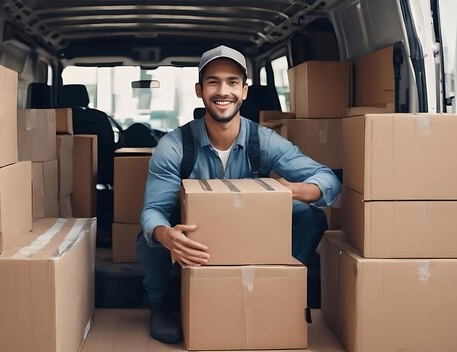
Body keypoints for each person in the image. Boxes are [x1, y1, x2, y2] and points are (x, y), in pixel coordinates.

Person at [137, 45, 341, 344]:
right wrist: (165, 234)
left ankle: (271, 289)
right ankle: (162, 303)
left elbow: (327, 180)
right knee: (153, 232)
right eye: (213, 82)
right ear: (199, 90)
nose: (223, 91)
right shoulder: (174, 146)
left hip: (248, 235)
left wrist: (293, 191)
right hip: (195, 237)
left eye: (232, 82)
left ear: (244, 91)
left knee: (309, 217)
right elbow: (151, 209)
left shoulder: (264, 140)